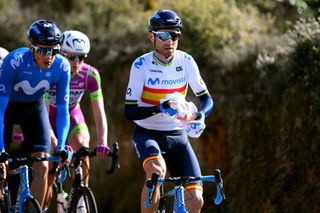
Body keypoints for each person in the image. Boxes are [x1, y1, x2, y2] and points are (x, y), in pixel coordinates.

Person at [124, 10, 214, 213]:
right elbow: (130, 112)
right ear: (152, 36)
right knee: (156, 171)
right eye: (163, 35)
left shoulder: (186, 61)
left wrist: (201, 115)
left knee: (196, 201)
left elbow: (207, 100)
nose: (169, 40)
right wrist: (158, 108)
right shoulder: (141, 65)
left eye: (174, 35)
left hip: (177, 134)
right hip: (147, 133)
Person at [0, 20, 71, 209]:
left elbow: (63, 110)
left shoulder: (62, 66)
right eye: (42, 50)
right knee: (1, 167)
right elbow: (0, 109)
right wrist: (0, 148)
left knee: (42, 165)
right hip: (7, 109)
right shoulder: (14, 61)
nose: (49, 56)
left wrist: (62, 146)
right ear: (30, 47)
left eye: (54, 50)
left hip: (34, 108)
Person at [43, 30, 110, 210]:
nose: (77, 63)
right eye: (72, 57)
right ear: (60, 54)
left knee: (82, 147)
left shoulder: (91, 74)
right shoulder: (49, 72)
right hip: (49, 117)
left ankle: (81, 199)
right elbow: (44, 110)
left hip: (73, 115)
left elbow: (99, 111)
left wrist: (103, 142)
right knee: (48, 174)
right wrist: (56, 142)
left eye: (81, 57)